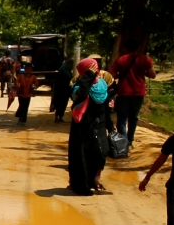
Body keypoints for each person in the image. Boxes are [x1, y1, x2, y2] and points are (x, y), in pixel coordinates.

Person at [68, 58, 110, 195]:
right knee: (82, 156)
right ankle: (81, 185)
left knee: (101, 152)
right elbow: (80, 95)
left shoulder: (102, 85)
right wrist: (87, 78)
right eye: (90, 69)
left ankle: (94, 180)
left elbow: (105, 104)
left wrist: (109, 123)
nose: (95, 72)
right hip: (82, 127)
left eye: (95, 69)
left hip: (99, 125)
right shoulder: (78, 86)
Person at [109, 40, 157, 144]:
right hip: (138, 92)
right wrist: (142, 73)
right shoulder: (145, 59)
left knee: (122, 118)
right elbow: (153, 75)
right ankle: (130, 139)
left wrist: (119, 75)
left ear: (125, 48)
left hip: (123, 92)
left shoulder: (120, 60)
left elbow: (111, 76)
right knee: (134, 117)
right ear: (139, 48)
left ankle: (123, 141)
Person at [49, 59, 74, 123]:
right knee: (59, 104)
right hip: (60, 90)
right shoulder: (63, 71)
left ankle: (60, 117)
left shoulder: (67, 71)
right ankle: (57, 117)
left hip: (65, 90)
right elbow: (60, 81)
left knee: (64, 104)